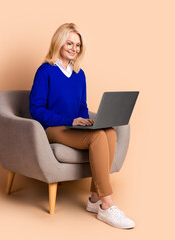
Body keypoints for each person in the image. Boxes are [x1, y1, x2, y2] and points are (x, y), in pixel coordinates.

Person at [29, 23, 135, 229]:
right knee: (97, 138)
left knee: (110, 133)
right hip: (52, 128)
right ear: (59, 42)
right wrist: (70, 121)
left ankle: (94, 199)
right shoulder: (45, 71)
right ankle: (107, 204)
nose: (74, 48)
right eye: (69, 43)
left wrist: (85, 121)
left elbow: (82, 106)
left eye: (77, 45)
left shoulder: (79, 74)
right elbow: (36, 109)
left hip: (74, 128)